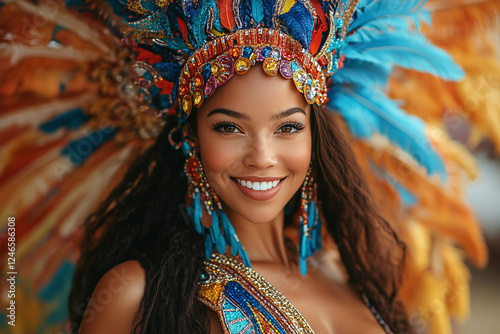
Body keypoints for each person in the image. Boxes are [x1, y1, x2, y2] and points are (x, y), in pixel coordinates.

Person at [65, 0, 472, 333]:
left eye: (288, 127)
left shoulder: (349, 270)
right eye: (229, 128)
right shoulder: (137, 295)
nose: (262, 157)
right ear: (190, 139)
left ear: (314, 136)